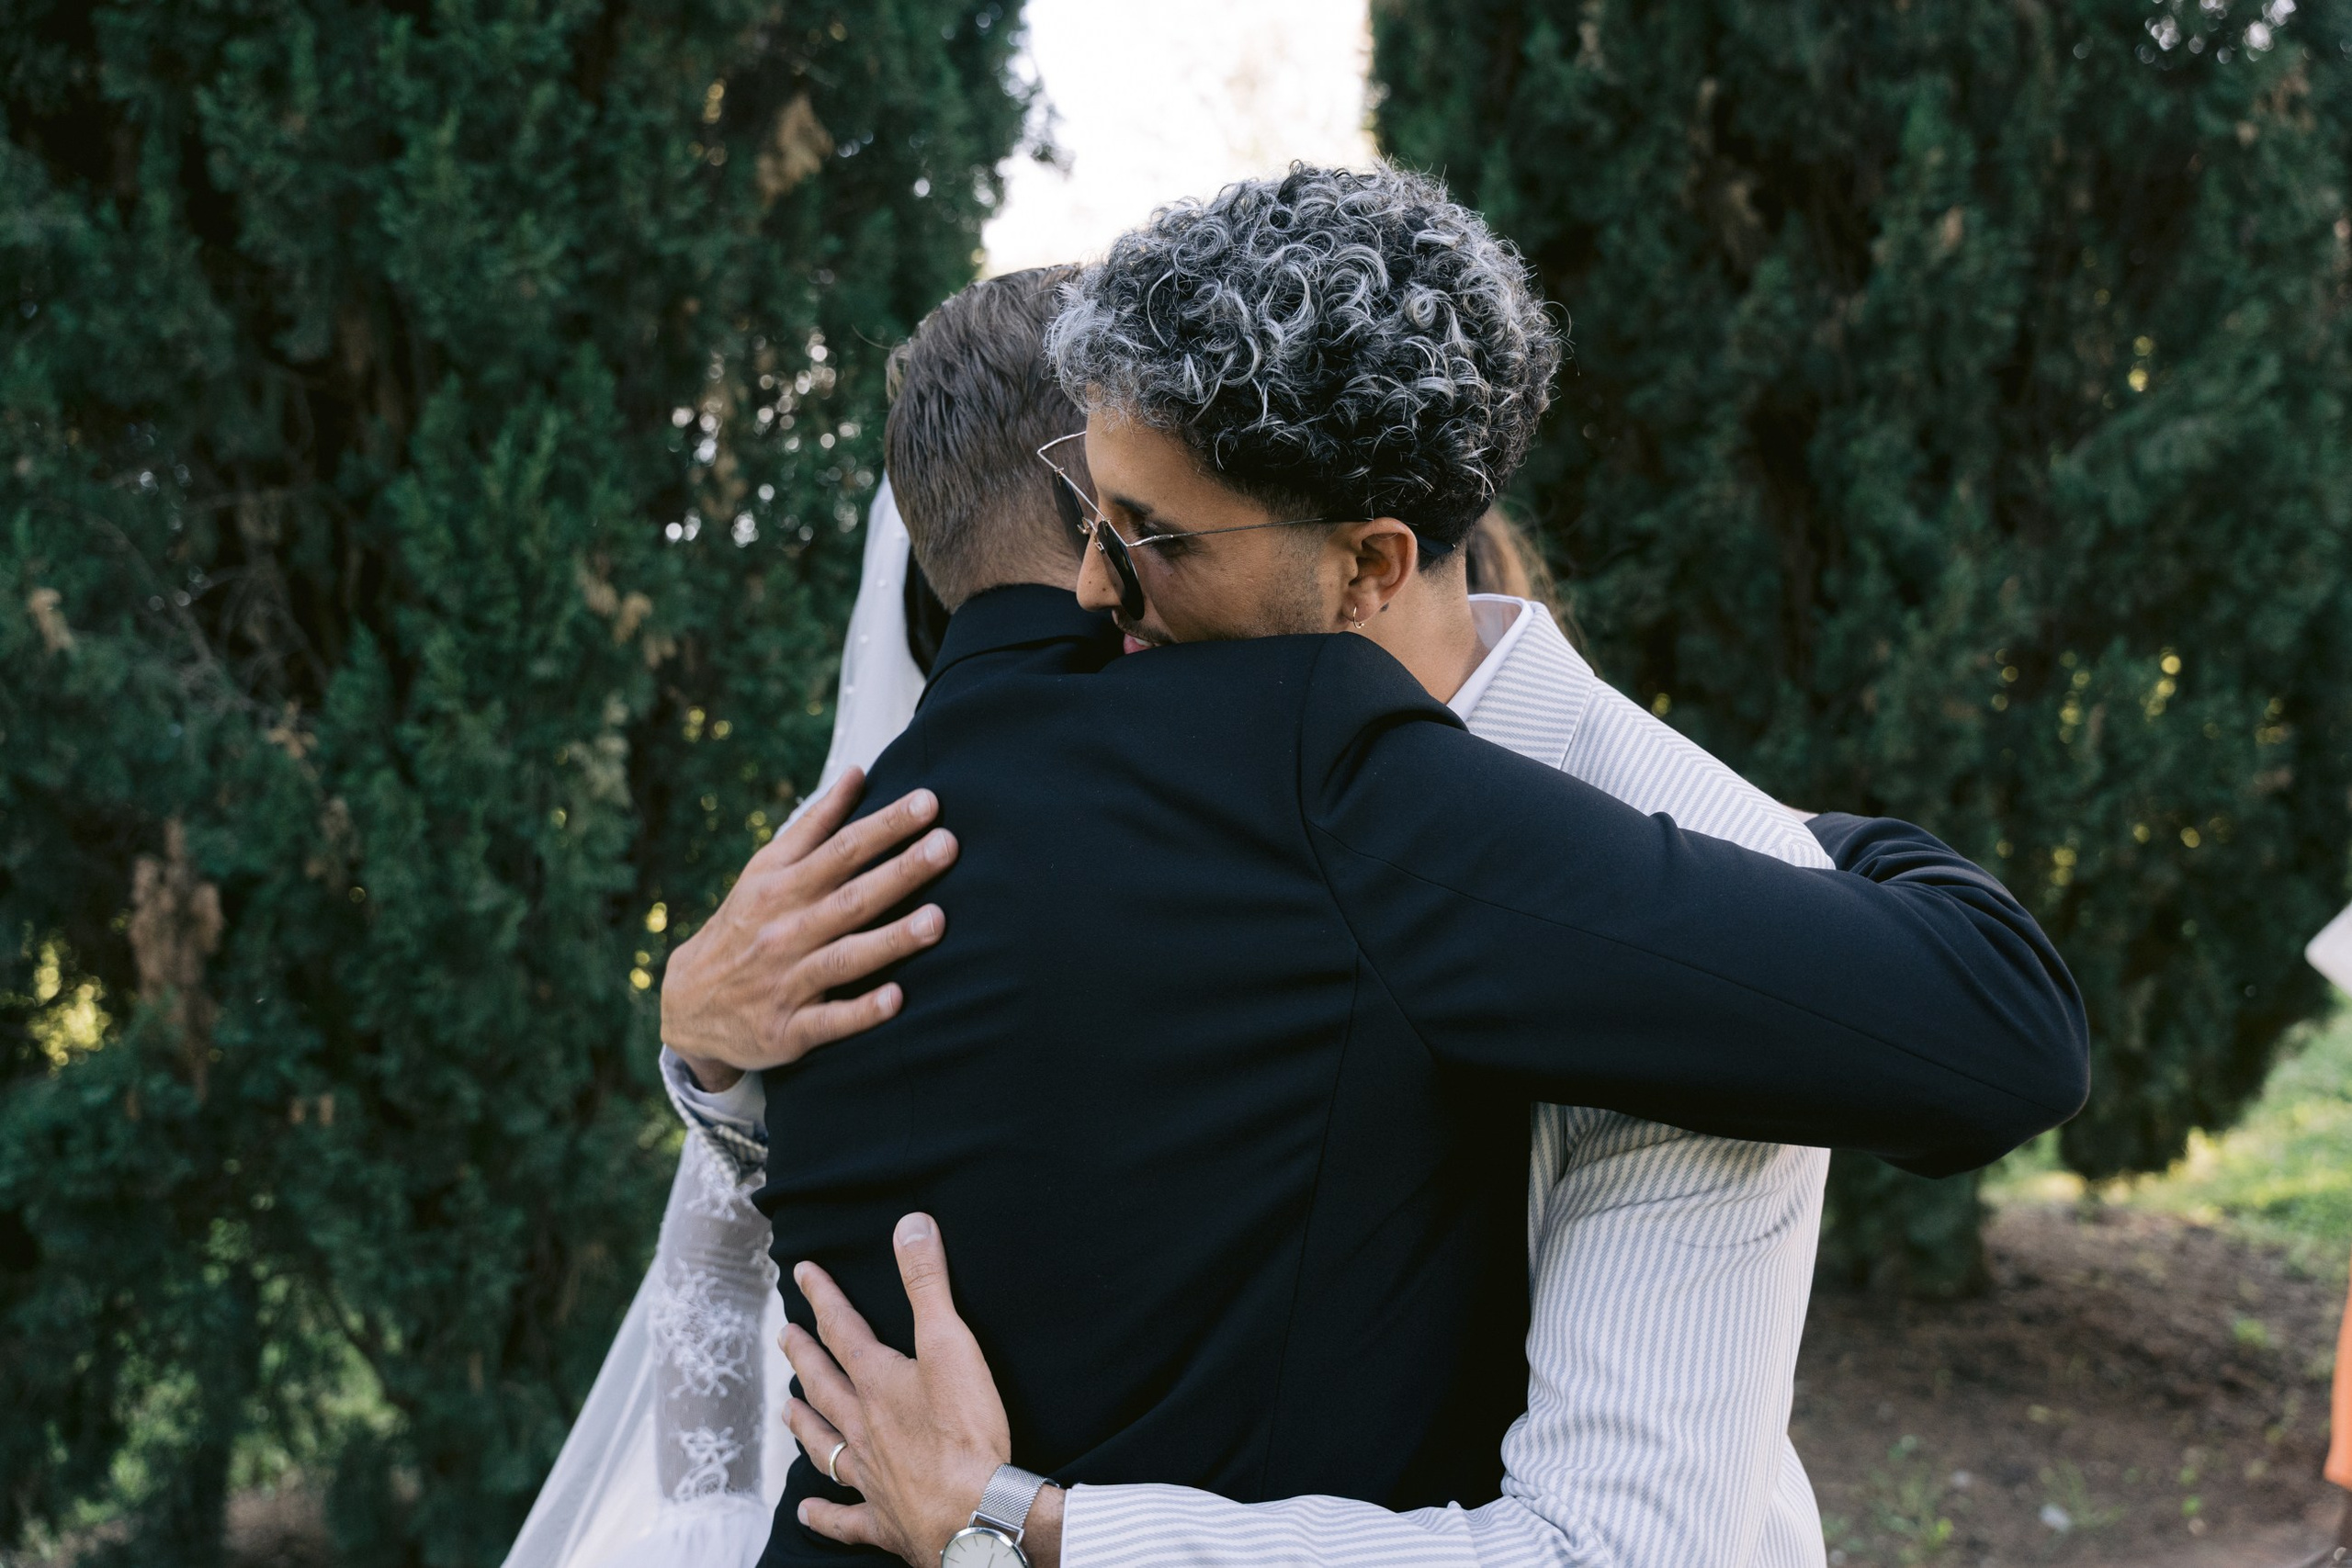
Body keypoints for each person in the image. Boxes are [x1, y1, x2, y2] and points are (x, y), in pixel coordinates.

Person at [711, 167, 2078, 1568]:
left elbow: (1614, 1550)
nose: (1090, 591)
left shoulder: (1603, 871)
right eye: (1090, 510)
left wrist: (1032, 1528)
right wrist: (703, 1045)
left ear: (1368, 569)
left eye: (1155, 541)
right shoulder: (1124, 792)